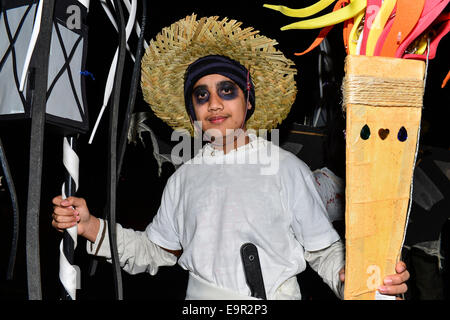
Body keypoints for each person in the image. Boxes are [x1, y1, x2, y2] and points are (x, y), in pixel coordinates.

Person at [51, 15, 409, 300]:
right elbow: (154, 250)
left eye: (227, 90)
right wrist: (89, 225)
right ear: (193, 111)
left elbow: (323, 251)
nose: (215, 104)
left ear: (247, 101)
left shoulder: (286, 169)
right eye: (202, 96)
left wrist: (355, 277)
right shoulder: (183, 179)